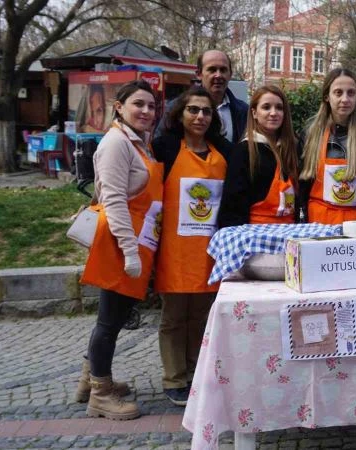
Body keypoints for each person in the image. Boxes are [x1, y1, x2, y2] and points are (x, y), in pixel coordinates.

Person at [78, 80, 162, 421]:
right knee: (109, 321)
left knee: (111, 317)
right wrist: (129, 252)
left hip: (136, 242)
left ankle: (92, 378)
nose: (145, 111)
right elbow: (113, 200)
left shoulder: (138, 143)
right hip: (119, 243)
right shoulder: (116, 142)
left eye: (151, 106)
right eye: (138, 104)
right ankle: (100, 394)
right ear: (119, 107)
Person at [151, 87, 231, 406]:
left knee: (200, 315)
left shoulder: (223, 151)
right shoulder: (164, 148)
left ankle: (197, 373)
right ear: (180, 114)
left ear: (214, 117)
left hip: (208, 249)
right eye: (193, 110)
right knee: (173, 317)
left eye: (206, 111)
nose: (199, 116)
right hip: (173, 248)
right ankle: (174, 377)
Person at [297, 68, 356, 225]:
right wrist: (300, 221)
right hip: (318, 222)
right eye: (338, 92)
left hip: (355, 224)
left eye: (351, 93)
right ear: (327, 97)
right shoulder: (311, 132)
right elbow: (301, 184)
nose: (345, 99)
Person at [219, 85, 298, 226]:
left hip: (290, 233)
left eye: (279, 108)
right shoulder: (244, 151)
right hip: (255, 235)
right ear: (254, 113)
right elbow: (232, 207)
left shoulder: (292, 148)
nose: (273, 113)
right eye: (266, 107)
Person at [157, 50, 249, 145]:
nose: (218, 75)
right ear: (199, 74)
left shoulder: (244, 111)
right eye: (212, 70)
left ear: (230, 74)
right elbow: (160, 145)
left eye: (223, 70)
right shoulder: (176, 107)